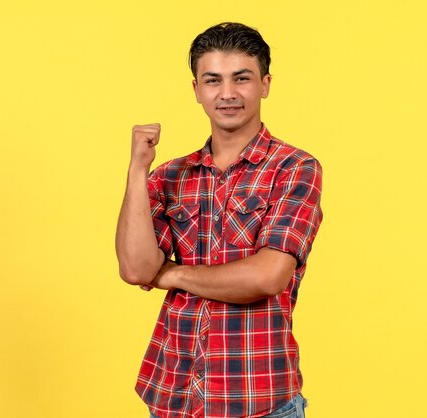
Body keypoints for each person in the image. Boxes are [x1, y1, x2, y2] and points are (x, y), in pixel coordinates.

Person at [115, 22, 323, 418]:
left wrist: (172, 274)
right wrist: (138, 170)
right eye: (213, 80)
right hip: (172, 395)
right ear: (196, 89)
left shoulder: (294, 168)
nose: (227, 93)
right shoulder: (169, 176)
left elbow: (266, 277)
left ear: (265, 84)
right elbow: (135, 267)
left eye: (241, 78)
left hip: (258, 400)